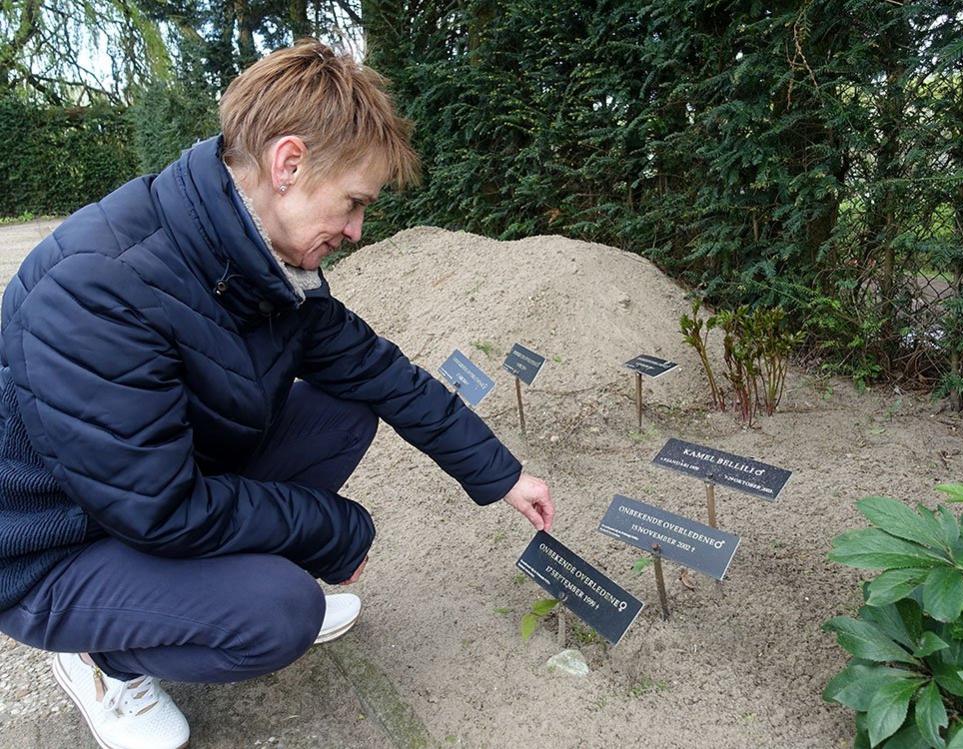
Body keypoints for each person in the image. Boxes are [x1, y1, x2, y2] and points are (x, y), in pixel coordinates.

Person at [0, 40, 553, 749]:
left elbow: (383, 374)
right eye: (353, 203)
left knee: (346, 407)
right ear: (287, 164)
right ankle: (99, 658)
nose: (356, 230)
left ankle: (194, 594)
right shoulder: (97, 287)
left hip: (143, 497)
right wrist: (332, 529)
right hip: (55, 550)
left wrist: (502, 474)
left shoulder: (260, 259)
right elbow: (160, 510)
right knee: (277, 612)